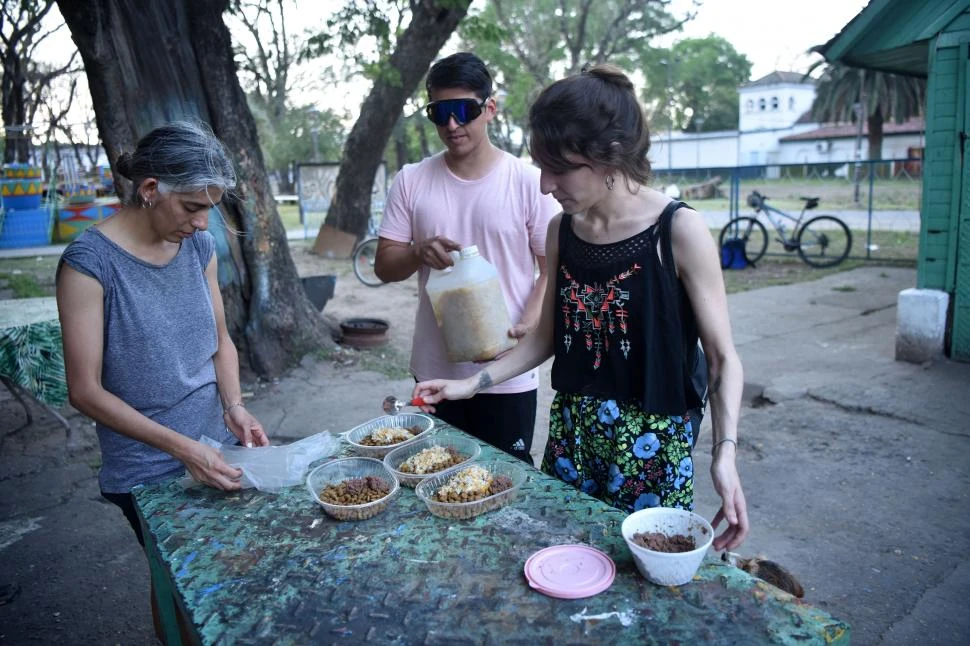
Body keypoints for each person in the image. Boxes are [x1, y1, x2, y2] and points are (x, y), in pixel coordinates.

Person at [413, 64, 749, 551]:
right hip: (573, 437)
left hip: (652, 448)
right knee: (565, 560)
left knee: (643, 580)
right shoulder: (562, 231)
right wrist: (470, 384)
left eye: (559, 167)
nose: (545, 184)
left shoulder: (679, 231)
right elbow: (547, 338)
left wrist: (724, 453)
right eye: (540, 166)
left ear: (609, 156)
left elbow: (722, 359)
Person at [56, 120, 269, 635]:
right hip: (147, 464)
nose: (202, 223)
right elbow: (85, 391)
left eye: (209, 209)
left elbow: (220, 339)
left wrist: (234, 406)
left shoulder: (197, 248)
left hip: (214, 442)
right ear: (151, 190)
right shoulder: (88, 264)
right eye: (193, 207)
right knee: (178, 580)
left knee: (231, 572)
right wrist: (182, 449)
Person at [374, 52, 560, 464]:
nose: (452, 125)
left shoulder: (527, 182)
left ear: (489, 108)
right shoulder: (411, 181)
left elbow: (551, 270)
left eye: (464, 110)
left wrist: (528, 321)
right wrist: (416, 251)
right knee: (433, 476)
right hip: (435, 372)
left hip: (507, 373)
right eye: (440, 113)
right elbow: (384, 266)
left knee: (503, 481)